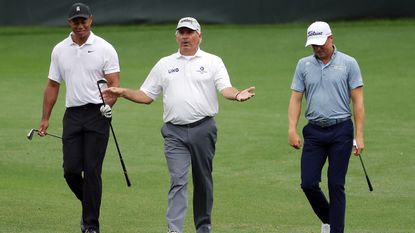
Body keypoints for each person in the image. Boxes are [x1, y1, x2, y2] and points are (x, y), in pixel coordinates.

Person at [102, 17, 255, 233]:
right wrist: (123, 92)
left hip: (204, 128)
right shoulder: (165, 64)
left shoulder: (212, 61)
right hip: (174, 132)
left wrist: (238, 94)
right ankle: (174, 229)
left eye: (190, 32)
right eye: (181, 32)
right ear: (176, 36)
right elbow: (146, 95)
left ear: (199, 36)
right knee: (178, 179)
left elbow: (225, 88)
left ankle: (203, 227)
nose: (185, 36)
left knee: (202, 180)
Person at [38, 3, 120, 233]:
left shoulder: (105, 48)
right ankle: (90, 204)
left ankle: (91, 225)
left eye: (84, 20)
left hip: (98, 114)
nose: (80, 25)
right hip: (72, 114)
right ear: (69, 23)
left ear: (91, 20)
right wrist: (45, 118)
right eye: (76, 21)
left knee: (92, 170)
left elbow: (114, 84)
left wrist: (108, 105)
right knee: (71, 170)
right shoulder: (59, 50)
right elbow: (53, 85)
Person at [288, 21, 365, 233]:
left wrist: (359, 135)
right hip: (313, 132)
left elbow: (358, 101)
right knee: (308, 183)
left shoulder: (349, 63)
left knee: (335, 184)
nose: (317, 48)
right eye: (313, 45)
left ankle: (335, 230)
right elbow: (296, 98)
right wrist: (292, 129)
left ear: (331, 38)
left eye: (321, 43)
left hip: (341, 130)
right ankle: (330, 220)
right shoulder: (303, 65)